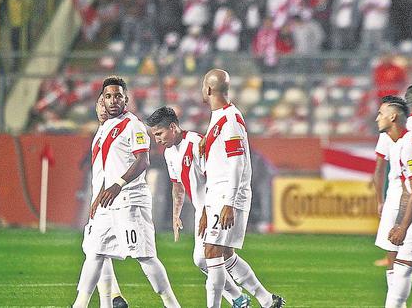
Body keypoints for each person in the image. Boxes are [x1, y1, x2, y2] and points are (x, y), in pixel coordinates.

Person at [72, 76, 180, 308]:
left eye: (118, 96)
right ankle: (82, 304)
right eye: (108, 97)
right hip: (107, 203)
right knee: (95, 252)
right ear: (102, 99)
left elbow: (143, 160)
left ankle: (171, 303)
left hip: (130, 201)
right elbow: (106, 170)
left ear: (126, 99)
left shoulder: (133, 125)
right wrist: (98, 196)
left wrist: (118, 184)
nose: (113, 101)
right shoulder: (103, 129)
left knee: (145, 256)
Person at [145, 106, 250, 308]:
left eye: (159, 133)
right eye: (154, 135)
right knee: (202, 260)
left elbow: (214, 177)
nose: (156, 139)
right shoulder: (169, 153)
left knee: (209, 257)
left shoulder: (195, 143)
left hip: (213, 205)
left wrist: (206, 211)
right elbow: (177, 185)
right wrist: (176, 215)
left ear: (173, 127)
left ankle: (242, 298)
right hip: (200, 208)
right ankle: (239, 298)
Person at [200, 69, 285, 308]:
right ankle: (267, 301)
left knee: (212, 253)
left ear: (208, 89)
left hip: (227, 195)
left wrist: (229, 202)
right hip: (218, 194)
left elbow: (238, 162)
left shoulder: (230, 118)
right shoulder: (219, 118)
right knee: (224, 255)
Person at [373, 87, 412, 307]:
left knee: (400, 268)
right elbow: (408, 190)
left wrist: (403, 226)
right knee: (402, 266)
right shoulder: (401, 145)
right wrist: (400, 224)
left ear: (393, 117)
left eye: (380, 114)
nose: (377, 118)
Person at [79, 95, 129, 308]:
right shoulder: (101, 132)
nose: (102, 107)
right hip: (103, 199)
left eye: (105, 103)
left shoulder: (114, 131)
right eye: (99, 102)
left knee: (94, 249)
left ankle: (87, 303)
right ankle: (114, 298)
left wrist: (102, 194)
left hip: (112, 200)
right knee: (97, 249)